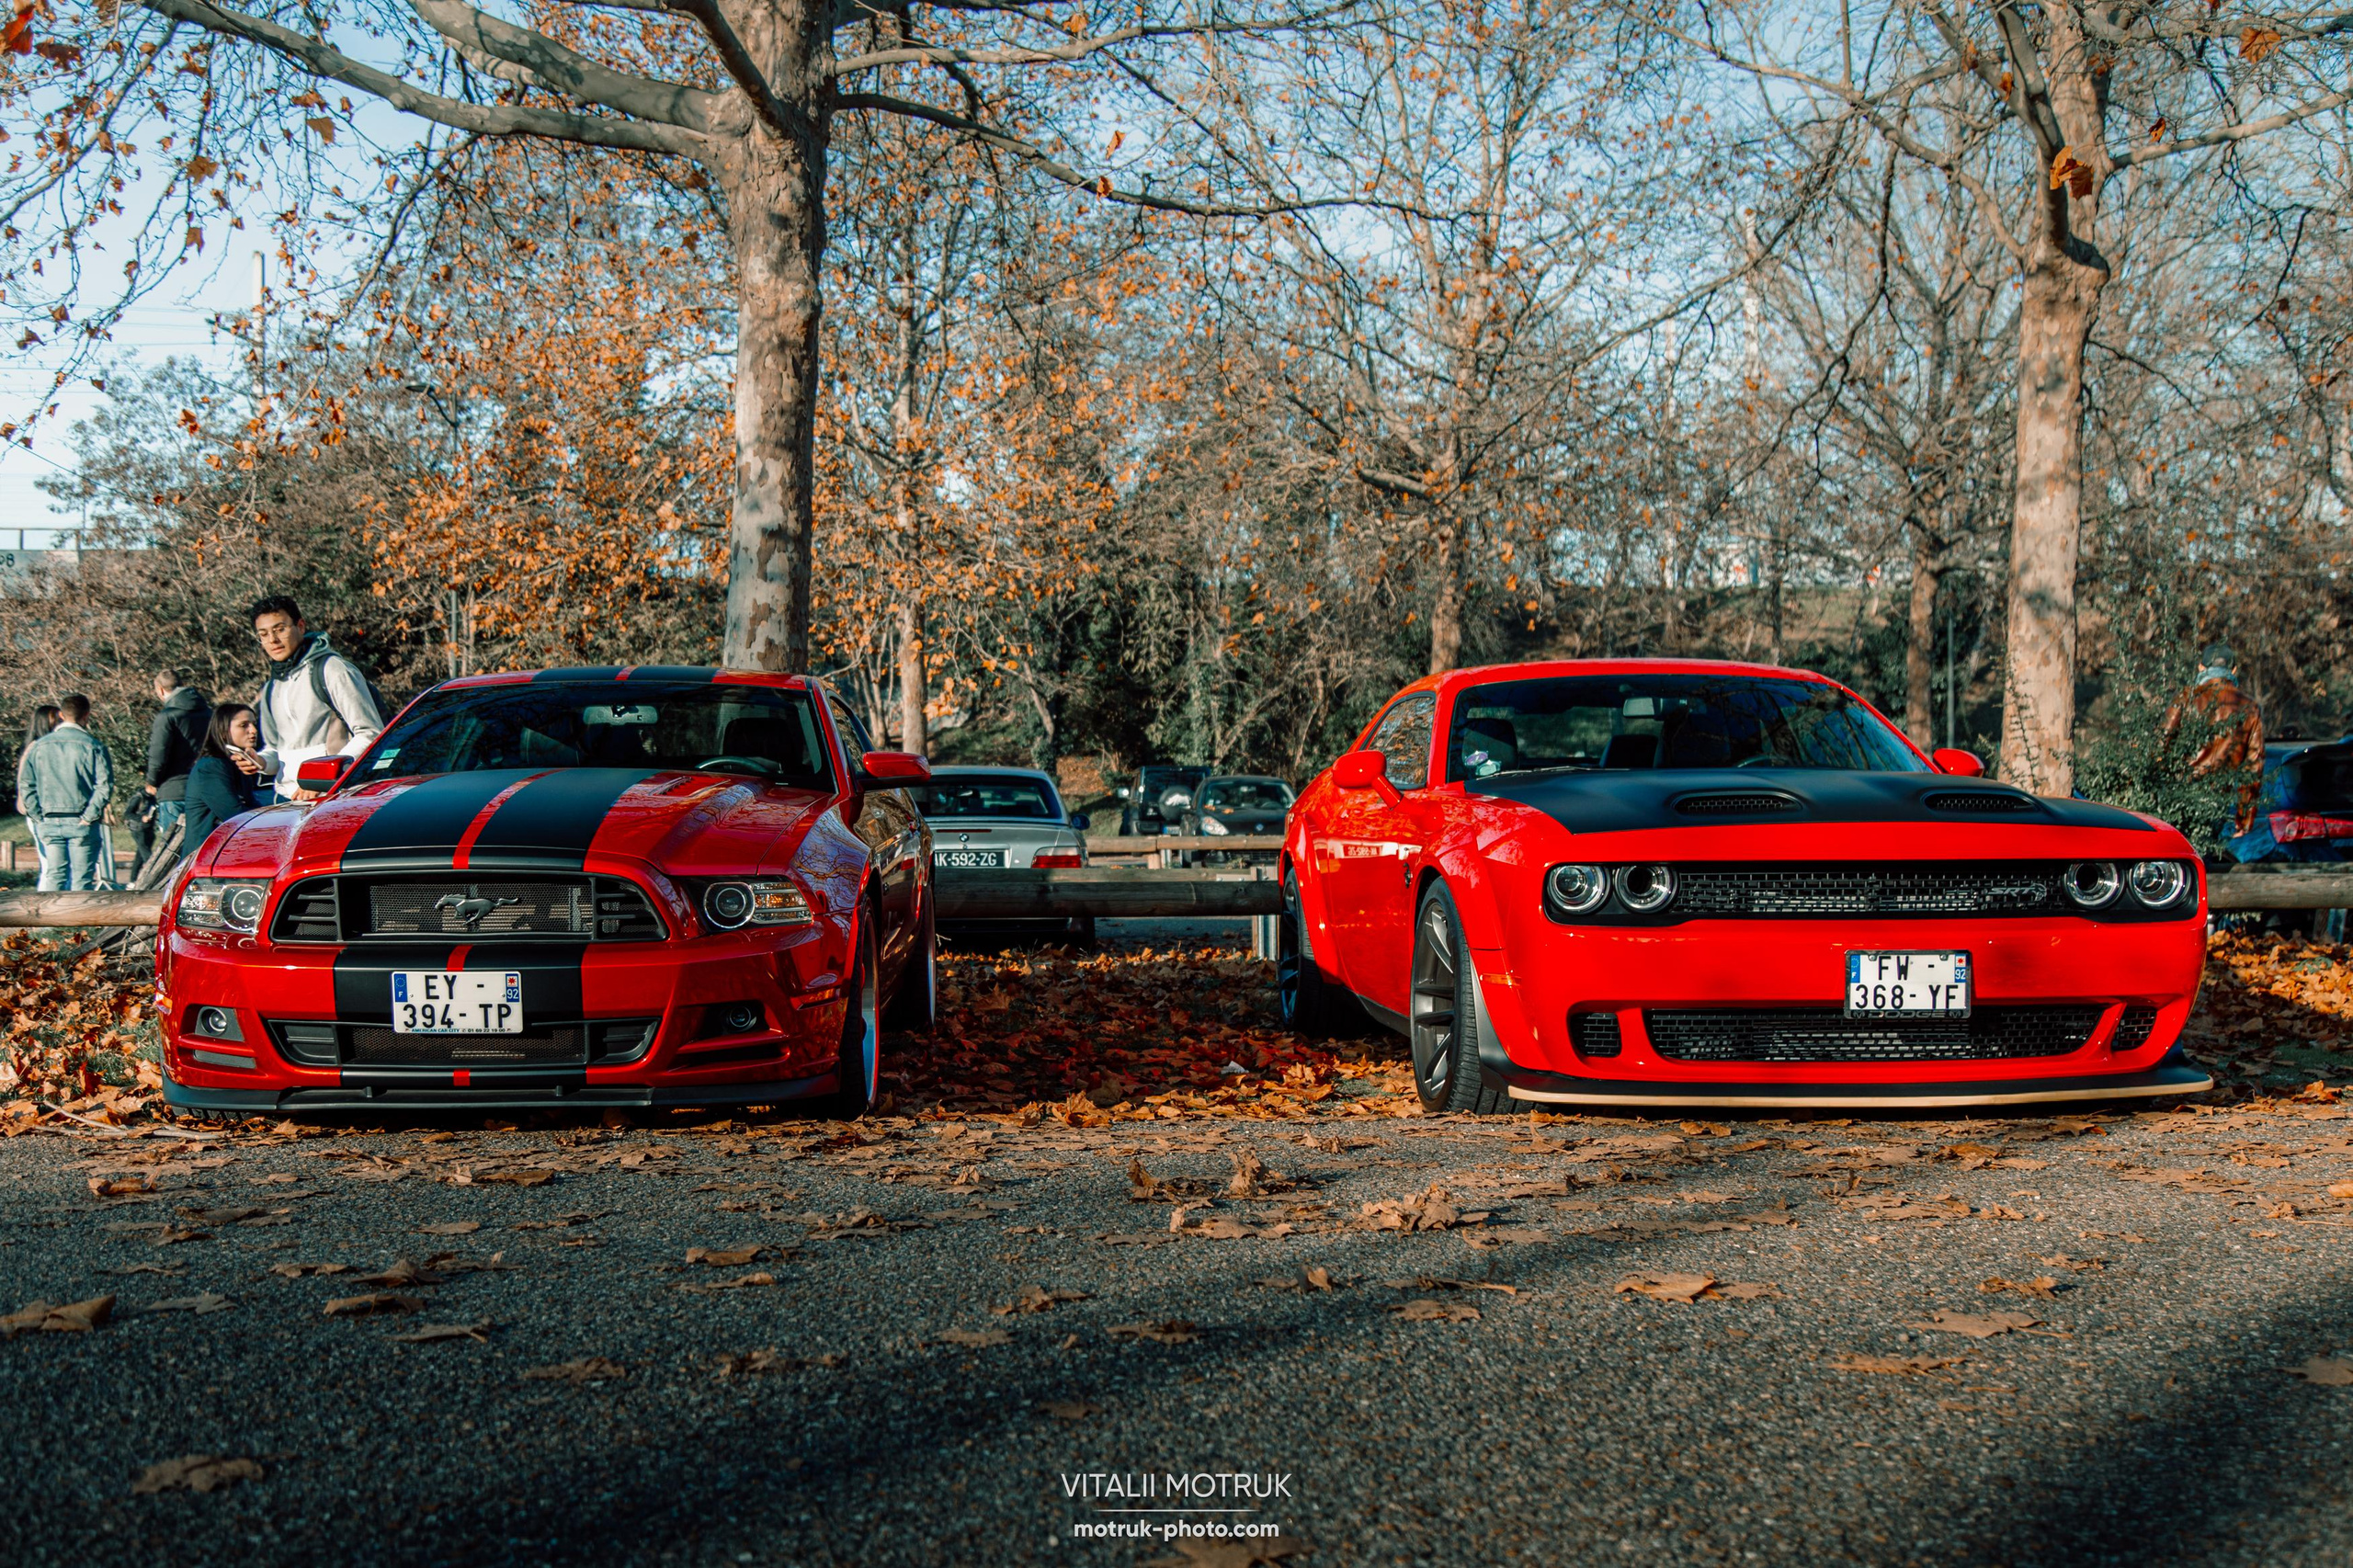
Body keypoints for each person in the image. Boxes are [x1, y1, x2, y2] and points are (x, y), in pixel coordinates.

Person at [248, 596, 385, 799]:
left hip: (335, 798)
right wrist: (260, 762)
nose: (272, 640)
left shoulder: (332, 669)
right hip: (287, 801)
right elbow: (276, 750)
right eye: (264, 634)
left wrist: (321, 778)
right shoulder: (271, 687)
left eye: (280, 629)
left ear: (300, 626)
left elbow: (370, 733)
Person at [15, 692, 115, 892]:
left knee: (54, 875)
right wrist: (90, 815)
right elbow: (104, 785)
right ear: (86, 715)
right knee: (81, 880)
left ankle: (50, 923)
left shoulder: (40, 746)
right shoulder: (94, 746)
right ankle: (77, 922)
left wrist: (37, 814)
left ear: (62, 715)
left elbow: (26, 784)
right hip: (81, 819)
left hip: (49, 818)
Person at [2163, 642, 2266, 835]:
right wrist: (2244, 818)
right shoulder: (2250, 707)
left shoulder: (2185, 698)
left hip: (2179, 794)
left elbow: (2160, 746)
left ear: (2201, 668)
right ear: (2233, 670)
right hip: (2218, 798)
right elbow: (2254, 766)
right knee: (2204, 858)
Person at [178, 702, 268, 854]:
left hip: (226, 852)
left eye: (253, 724)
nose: (253, 730)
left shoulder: (235, 763)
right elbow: (235, 814)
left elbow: (252, 806)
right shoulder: (210, 767)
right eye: (243, 725)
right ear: (223, 730)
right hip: (205, 861)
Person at [144, 668, 211, 844]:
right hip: (206, 786)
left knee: (173, 850)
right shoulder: (209, 713)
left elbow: (158, 754)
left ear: (159, 689)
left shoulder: (167, 716)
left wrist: (152, 781)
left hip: (174, 789)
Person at [20, 704, 60, 883]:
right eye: (56, 719)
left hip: (45, 811)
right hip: (41, 812)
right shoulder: (36, 748)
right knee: (51, 867)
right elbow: (25, 783)